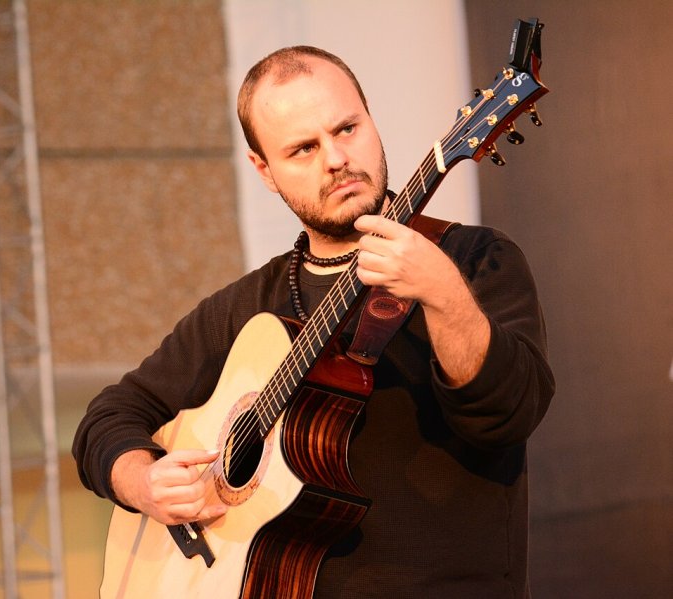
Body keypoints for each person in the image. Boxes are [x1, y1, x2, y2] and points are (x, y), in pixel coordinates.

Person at [73, 45, 554, 598]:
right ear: (265, 170)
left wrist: (444, 295)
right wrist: (143, 481)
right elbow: (107, 418)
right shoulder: (243, 307)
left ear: (371, 120)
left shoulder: (474, 259)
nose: (336, 158)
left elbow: (510, 415)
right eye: (303, 148)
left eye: (347, 129)